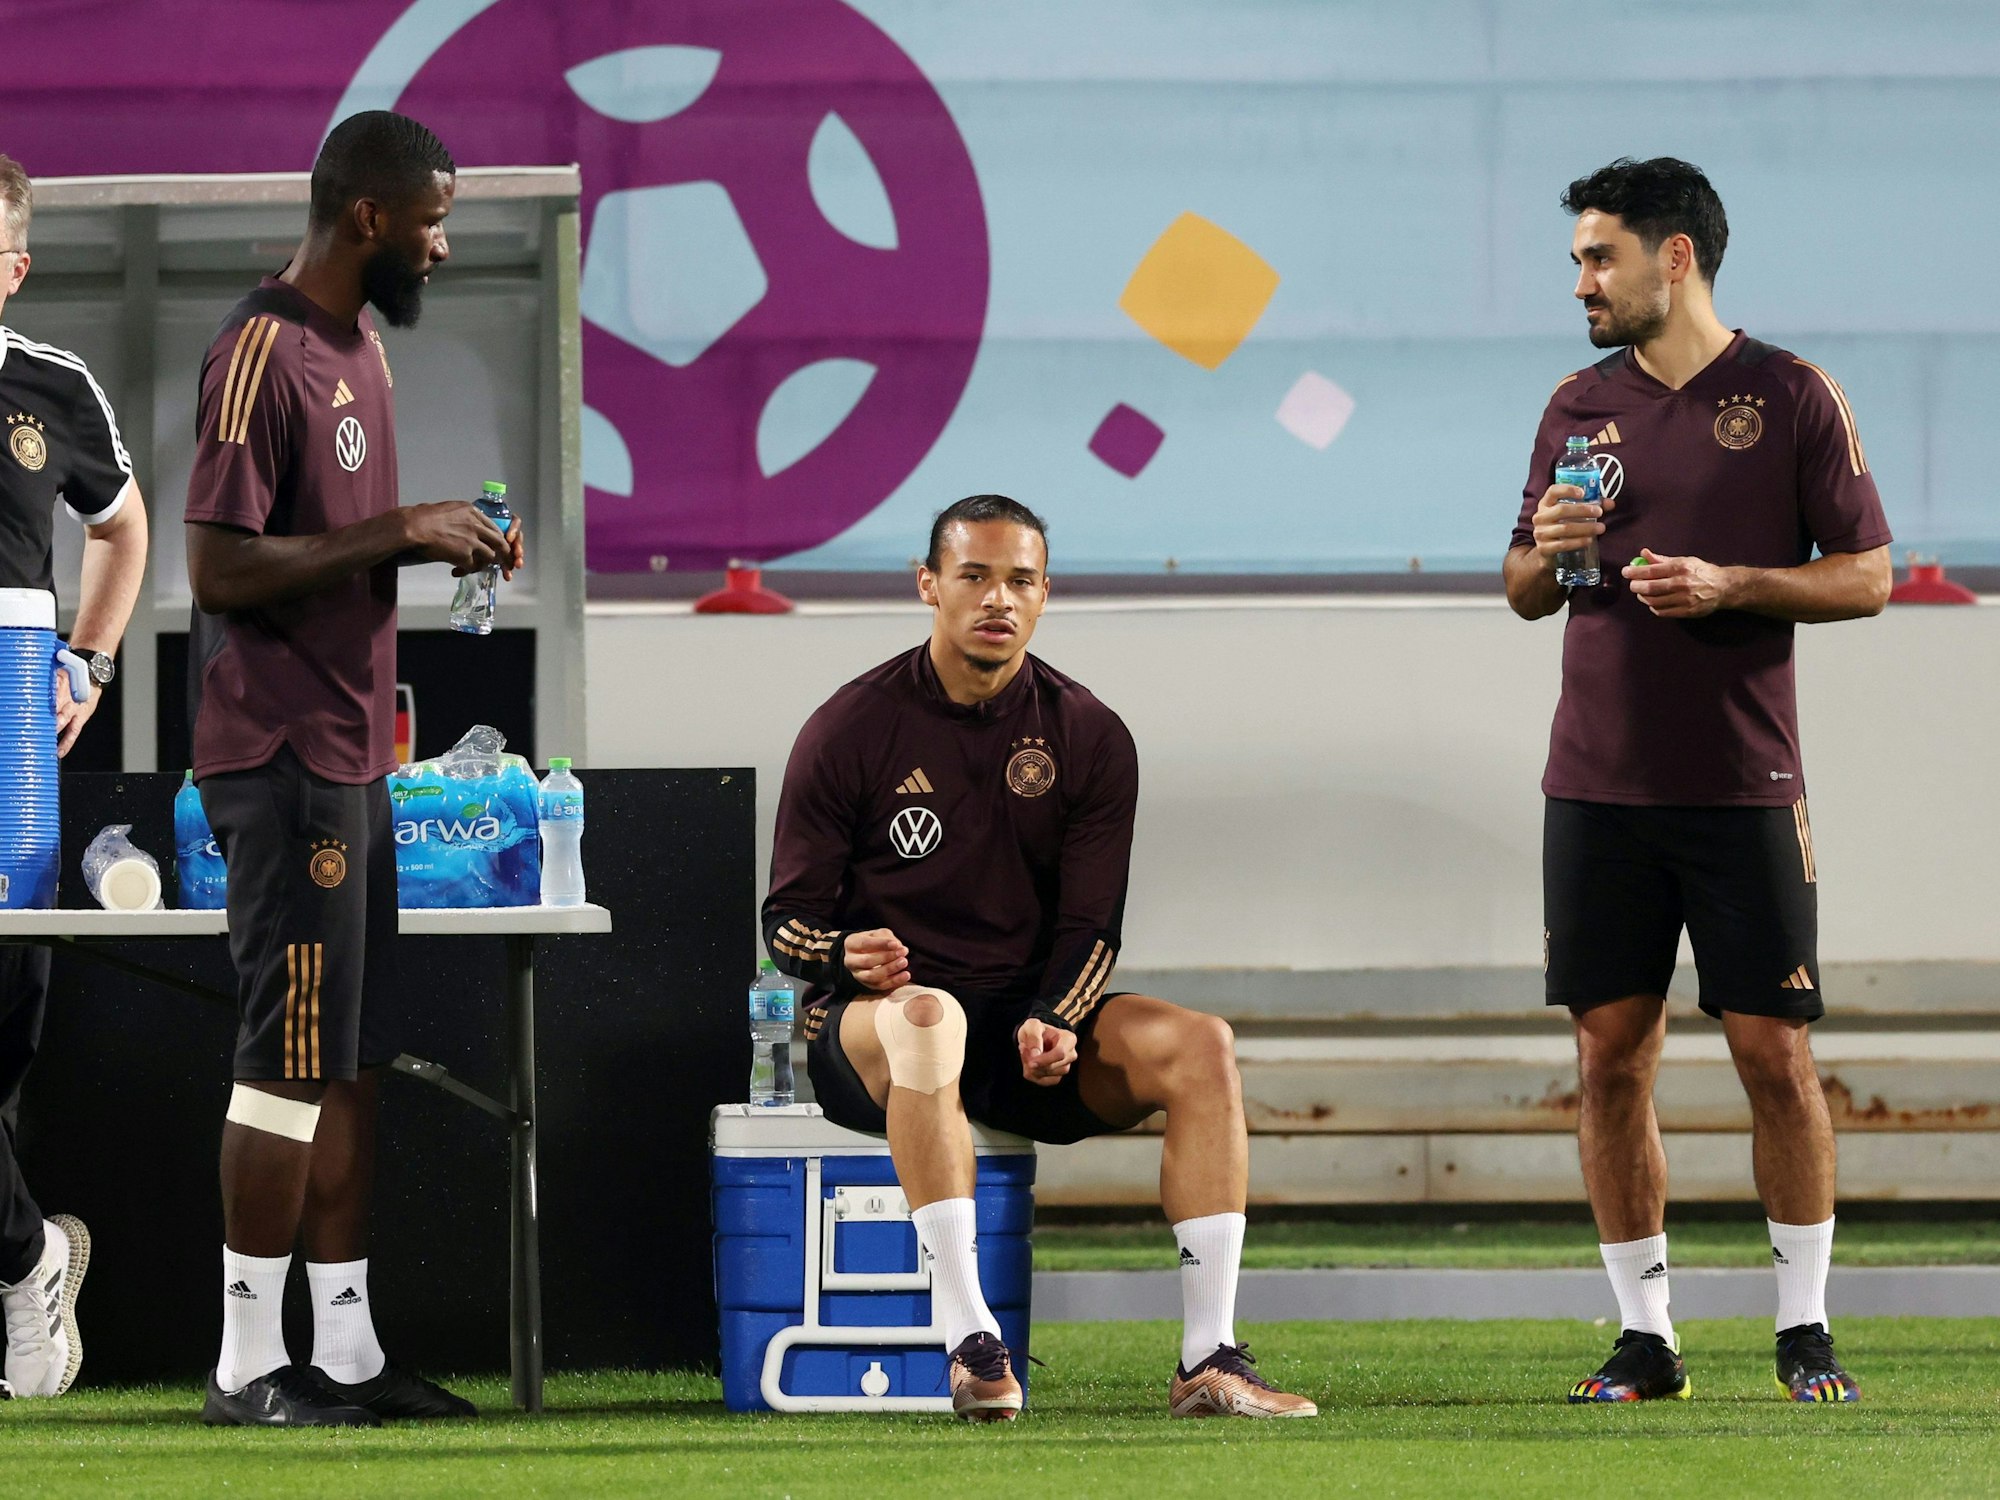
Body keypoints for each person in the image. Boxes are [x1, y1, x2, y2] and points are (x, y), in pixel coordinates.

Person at [764, 494, 1316, 1422]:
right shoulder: (851, 727)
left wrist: (1057, 1015)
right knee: (928, 1020)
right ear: (928, 584)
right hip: (880, 1031)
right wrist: (848, 956)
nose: (997, 600)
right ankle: (974, 1342)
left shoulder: (1089, 734)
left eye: (1020, 580)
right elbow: (785, 927)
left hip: (1025, 1031)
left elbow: (1093, 928)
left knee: (1202, 1044)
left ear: (1046, 592)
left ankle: (1208, 1358)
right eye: (974, 576)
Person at [1504, 158, 1891, 1405]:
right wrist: (1543, 552)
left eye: (1596, 256)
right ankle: (1645, 1336)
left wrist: (1734, 584)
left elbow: (1869, 575)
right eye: (1576, 258)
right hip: (1595, 789)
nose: (1580, 281)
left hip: (1741, 785)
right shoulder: (1573, 404)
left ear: (1672, 259)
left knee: (1772, 1053)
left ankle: (1802, 1325)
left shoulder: (1788, 396)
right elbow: (1519, 588)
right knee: (1608, 1056)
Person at [184, 111, 522, 1427]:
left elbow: (336, 542)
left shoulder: (359, 345)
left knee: (349, 1060)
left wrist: (434, 534)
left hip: (351, 756)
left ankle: (350, 1354)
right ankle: (244, 1366)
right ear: (369, 217)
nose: (442, 245)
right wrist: (402, 528)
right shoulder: (257, 349)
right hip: (280, 760)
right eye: (432, 219)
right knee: (285, 1062)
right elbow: (214, 568)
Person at [0, 151, 150, 1401]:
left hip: (8, 733)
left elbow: (125, 529)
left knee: (0, 1035)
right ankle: (27, 1253)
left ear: (12, 267)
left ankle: (24, 1261)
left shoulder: (54, 389)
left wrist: (88, 659)